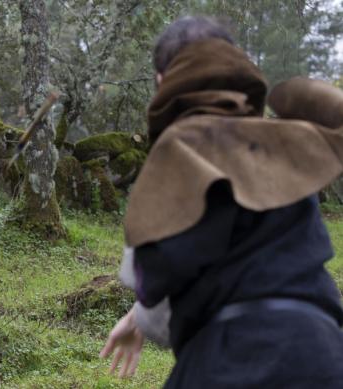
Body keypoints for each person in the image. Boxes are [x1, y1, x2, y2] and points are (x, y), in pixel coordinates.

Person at [99, 16, 343, 388]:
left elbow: (157, 275)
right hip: (324, 354)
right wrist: (138, 317)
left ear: (163, 80)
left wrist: (142, 314)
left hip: (231, 361)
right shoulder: (282, 145)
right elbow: (256, 259)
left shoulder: (180, 149)